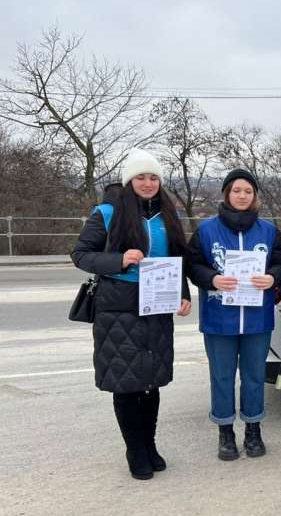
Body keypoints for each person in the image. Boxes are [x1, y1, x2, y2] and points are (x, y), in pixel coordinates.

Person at [71, 148, 192, 480]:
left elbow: (175, 260)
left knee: (151, 382)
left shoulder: (168, 214)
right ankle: (134, 450)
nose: (148, 183)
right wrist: (119, 260)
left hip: (158, 305)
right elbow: (81, 254)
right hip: (119, 309)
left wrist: (182, 295)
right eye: (141, 176)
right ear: (129, 180)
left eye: (154, 177)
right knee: (127, 384)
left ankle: (150, 445)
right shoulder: (107, 212)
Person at [187, 169, 281, 460]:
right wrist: (211, 279)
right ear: (227, 194)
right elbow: (192, 265)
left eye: (248, 191)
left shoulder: (268, 231)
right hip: (220, 319)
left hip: (257, 318)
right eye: (237, 191)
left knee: (255, 376)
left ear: (254, 195)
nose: (242, 196)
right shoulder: (207, 230)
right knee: (221, 377)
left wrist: (273, 278)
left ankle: (254, 430)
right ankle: (225, 432)